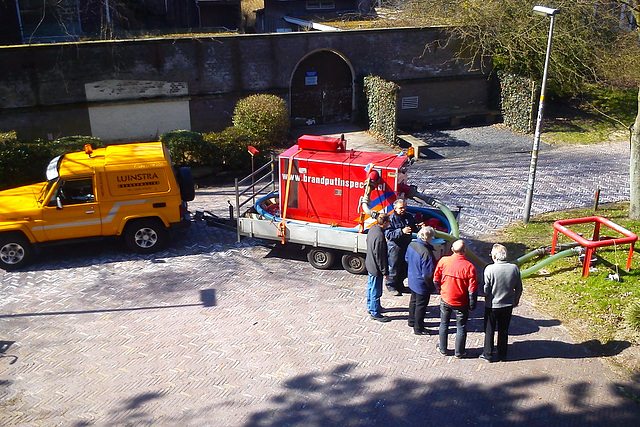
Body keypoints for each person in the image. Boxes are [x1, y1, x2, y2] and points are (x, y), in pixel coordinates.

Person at [433, 239, 477, 358]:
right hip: (461, 302)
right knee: (461, 326)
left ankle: (443, 348)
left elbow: (435, 279)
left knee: (444, 323)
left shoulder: (444, 261)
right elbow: (472, 290)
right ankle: (459, 352)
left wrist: (441, 291)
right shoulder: (469, 267)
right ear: (465, 251)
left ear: (452, 250)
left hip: (446, 298)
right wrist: (472, 305)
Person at [480, 244, 523, 362]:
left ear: (494, 256)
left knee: (489, 330)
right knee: (504, 330)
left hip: (492, 305)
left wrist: (483, 294)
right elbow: (519, 287)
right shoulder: (514, 268)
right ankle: (502, 354)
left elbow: (486, 289)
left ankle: (488, 354)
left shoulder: (489, 269)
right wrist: (516, 300)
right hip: (507, 305)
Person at [405, 226, 437, 335]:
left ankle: (411, 321)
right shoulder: (427, 253)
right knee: (421, 306)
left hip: (412, 278)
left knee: (413, 301)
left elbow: (407, 259)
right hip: (421, 284)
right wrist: (431, 286)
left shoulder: (412, 244)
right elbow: (428, 274)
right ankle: (419, 328)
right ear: (428, 237)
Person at [384, 198, 419, 296]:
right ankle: (391, 286)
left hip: (406, 246)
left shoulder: (408, 217)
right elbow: (388, 234)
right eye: (400, 208)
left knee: (404, 266)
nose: (403, 210)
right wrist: (401, 231)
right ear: (395, 208)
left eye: (404, 207)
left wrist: (419, 226)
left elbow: (414, 227)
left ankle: (400, 284)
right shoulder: (391, 219)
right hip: (395, 247)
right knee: (394, 267)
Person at [365, 213, 391, 322]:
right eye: (388, 222)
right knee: (376, 290)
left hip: (370, 263)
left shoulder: (373, 229)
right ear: (384, 223)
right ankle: (375, 312)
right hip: (376, 268)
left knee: (370, 286)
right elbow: (380, 257)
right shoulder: (380, 237)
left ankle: (371, 306)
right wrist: (385, 272)